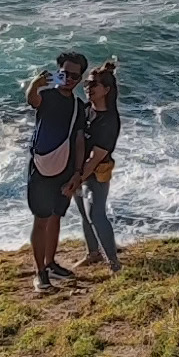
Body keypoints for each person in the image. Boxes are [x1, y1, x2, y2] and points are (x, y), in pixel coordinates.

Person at [24, 48, 88, 291]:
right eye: (64, 74)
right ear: (58, 73)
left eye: (74, 76)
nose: (69, 79)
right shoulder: (47, 95)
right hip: (42, 169)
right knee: (41, 220)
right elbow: (33, 101)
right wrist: (35, 83)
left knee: (56, 217)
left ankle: (51, 263)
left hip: (66, 170)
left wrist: (78, 173)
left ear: (80, 79)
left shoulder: (79, 107)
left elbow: (80, 140)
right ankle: (40, 272)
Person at [77, 59, 123, 272]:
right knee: (84, 214)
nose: (88, 88)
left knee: (96, 215)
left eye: (93, 84)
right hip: (78, 169)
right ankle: (92, 253)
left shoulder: (109, 120)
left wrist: (75, 179)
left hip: (95, 172)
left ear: (106, 89)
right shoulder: (86, 110)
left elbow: (95, 158)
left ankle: (114, 264)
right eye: (87, 84)